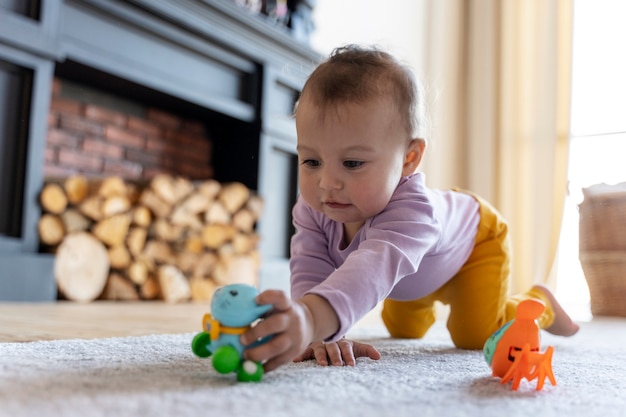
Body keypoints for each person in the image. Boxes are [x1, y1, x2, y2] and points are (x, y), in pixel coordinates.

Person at [240, 44, 579, 373]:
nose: (327, 182)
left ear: (408, 158)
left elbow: (372, 268)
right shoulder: (314, 208)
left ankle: (539, 303)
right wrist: (316, 331)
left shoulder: (413, 212)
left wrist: (312, 319)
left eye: (353, 162)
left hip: (474, 245)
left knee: (475, 335)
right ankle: (427, 301)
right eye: (311, 160)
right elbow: (311, 267)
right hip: (413, 273)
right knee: (404, 331)